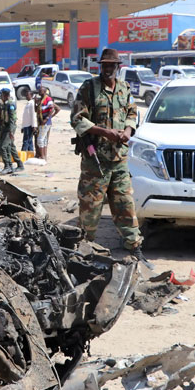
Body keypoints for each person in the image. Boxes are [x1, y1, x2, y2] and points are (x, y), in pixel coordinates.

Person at [70, 48, 152, 269]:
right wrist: (104, 132)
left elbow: (132, 113)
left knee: (125, 205)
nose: (107, 69)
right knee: (90, 208)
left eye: (111, 65)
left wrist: (127, 130)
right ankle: (83, 254)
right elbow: (78, 119)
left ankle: (134, 249)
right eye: (104, 65)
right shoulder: (89, 88)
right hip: (95, 160)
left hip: (119, 160)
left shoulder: (124, 89)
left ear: (118, 67)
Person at [0, 88, 24, 174]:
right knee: (11, 147)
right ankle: (19, 164)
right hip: (4, 128)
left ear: (5, 95)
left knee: (3, 147)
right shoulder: (4, 104)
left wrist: (11, 132)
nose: (0, 97)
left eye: (1, 95)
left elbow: (12, 120)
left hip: (9, 128)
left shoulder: (10, 105)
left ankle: (8, 166)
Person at [35, 84, 60, 161]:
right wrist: (35, 102)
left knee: (40, 140)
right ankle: (44, 156)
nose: (39, 91)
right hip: (41, 122)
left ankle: (42, 156)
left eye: (40, 90)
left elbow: (52, 109)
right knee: (44, 140)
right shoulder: (40, 100)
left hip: (45, 123)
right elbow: (36, 110)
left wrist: (47, 118)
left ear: (44, 91)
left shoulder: (48, 99)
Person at [20, 89, 37, 155]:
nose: (26, 96)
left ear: (31, 96)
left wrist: (34, 126)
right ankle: (31, 154)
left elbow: (33, 115)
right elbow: (25, 116)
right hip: (26, 125)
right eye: (26, 95)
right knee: (29, 141)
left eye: (28, 95)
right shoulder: (28, 103)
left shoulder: (32, 104)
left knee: (26, 141)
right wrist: (22, 127)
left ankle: (23, 154)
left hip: (30, 125)